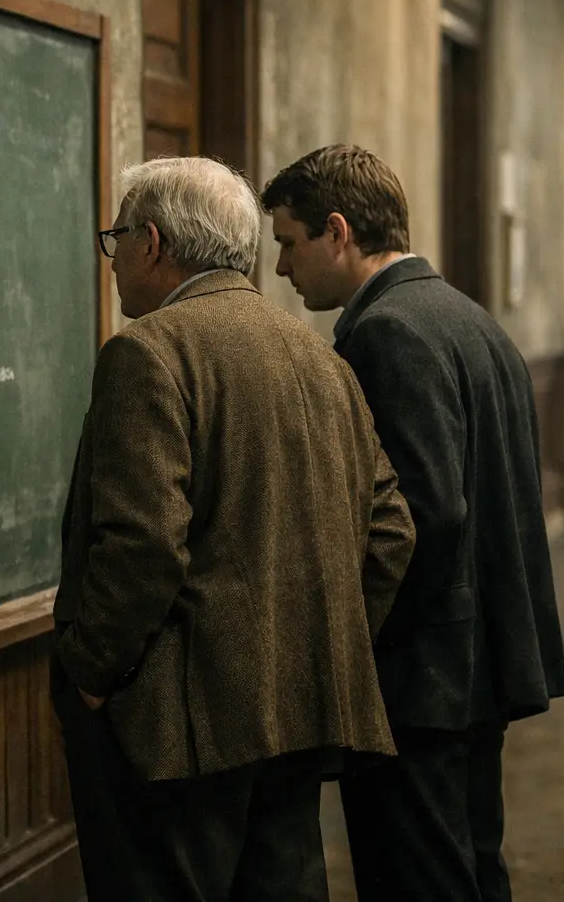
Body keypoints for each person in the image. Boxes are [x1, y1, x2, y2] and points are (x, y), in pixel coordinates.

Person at [53, 155, 415, 901]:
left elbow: (143, 547)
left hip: (177, 732)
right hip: (299, 712)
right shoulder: (321, 360)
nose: (112, 258)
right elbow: (391, 530)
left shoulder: (147, 353)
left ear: (152, 242)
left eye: (116, 237)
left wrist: (92, 675)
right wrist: (321, 639)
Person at [263, 144, 564, 902]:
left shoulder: (387, 333)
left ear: (337, 231)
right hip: (479, 657)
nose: (281, 270)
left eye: (289, 244)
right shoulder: (471, 319)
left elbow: (422, 518)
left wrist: (356, 646)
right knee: (472, 864)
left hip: (422, 674)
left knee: (416, 878)